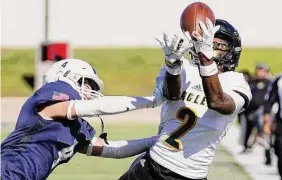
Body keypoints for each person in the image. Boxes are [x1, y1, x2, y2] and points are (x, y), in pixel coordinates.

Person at [119, 18, 252, 180]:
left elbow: (218, 102)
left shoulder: (236, 81)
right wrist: (173, 65)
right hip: (154, 163)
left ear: (232, 50)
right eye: (209, 42)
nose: (213, 48)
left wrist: (206, 59)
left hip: (191, 174)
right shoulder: (185, 67)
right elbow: (171, 95)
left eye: (220, 44)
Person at [1, 59, 163, 180]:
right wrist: (151, 101)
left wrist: (156, 141)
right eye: (87, 84)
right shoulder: (56, 91)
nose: (90, 91)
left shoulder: (74, 127)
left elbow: (115, 150)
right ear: (65, 76)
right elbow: (95, 107)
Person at [242, 63, 272, 165]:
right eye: (258, 70)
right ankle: (246, 146)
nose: (259, 72)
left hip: (263, 111)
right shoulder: (252, 82)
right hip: (251, 110)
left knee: (265, 132)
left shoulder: (269, 83)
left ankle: (268, 155)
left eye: (261, 70)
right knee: (248, 129)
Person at [264, 73, 282, 179]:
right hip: (281, 122)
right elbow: (270, 100)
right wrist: (266, 122)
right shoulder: (279, 80)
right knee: (280, 151)